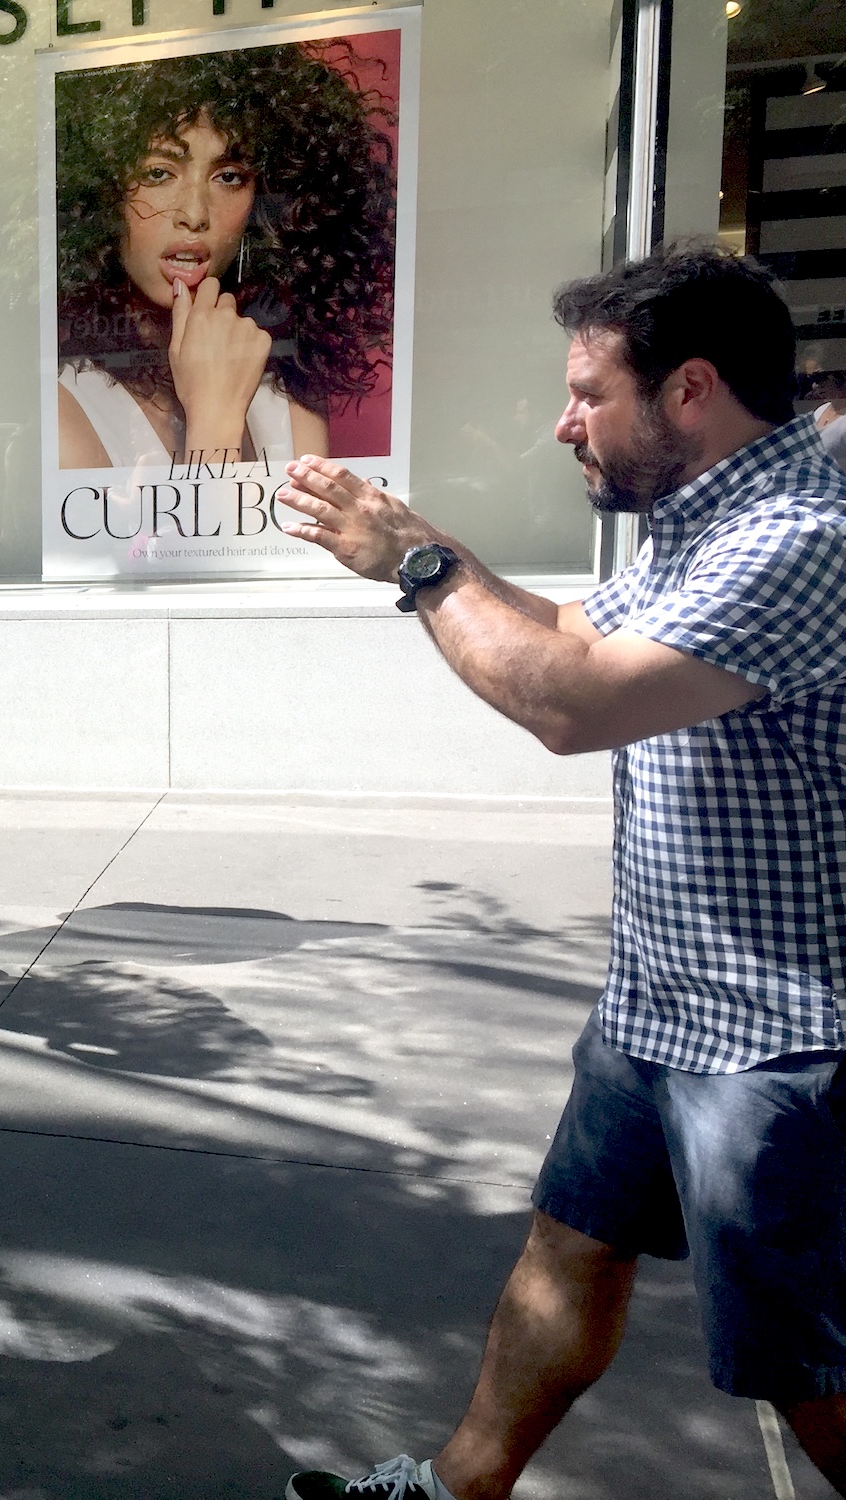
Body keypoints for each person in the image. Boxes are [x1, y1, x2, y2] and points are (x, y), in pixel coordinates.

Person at [275, 246, 846, 1499]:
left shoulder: (795, 538)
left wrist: (418, 571)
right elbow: (577, 630)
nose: (562, 421)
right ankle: (454, 1489)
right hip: (658, 1003)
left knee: (808, 1372)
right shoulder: (704, 516)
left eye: (588, 393)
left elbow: (572, 702)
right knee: (568, 1253)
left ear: (688, 388)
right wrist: (424, 543)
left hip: (775, 1044)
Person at [54, 41, 395, 469]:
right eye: (158, 173)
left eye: (229, 177)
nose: (195, 215)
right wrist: (213, 418)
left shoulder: (285, 395)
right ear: (101, 196)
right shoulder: (63, 413)